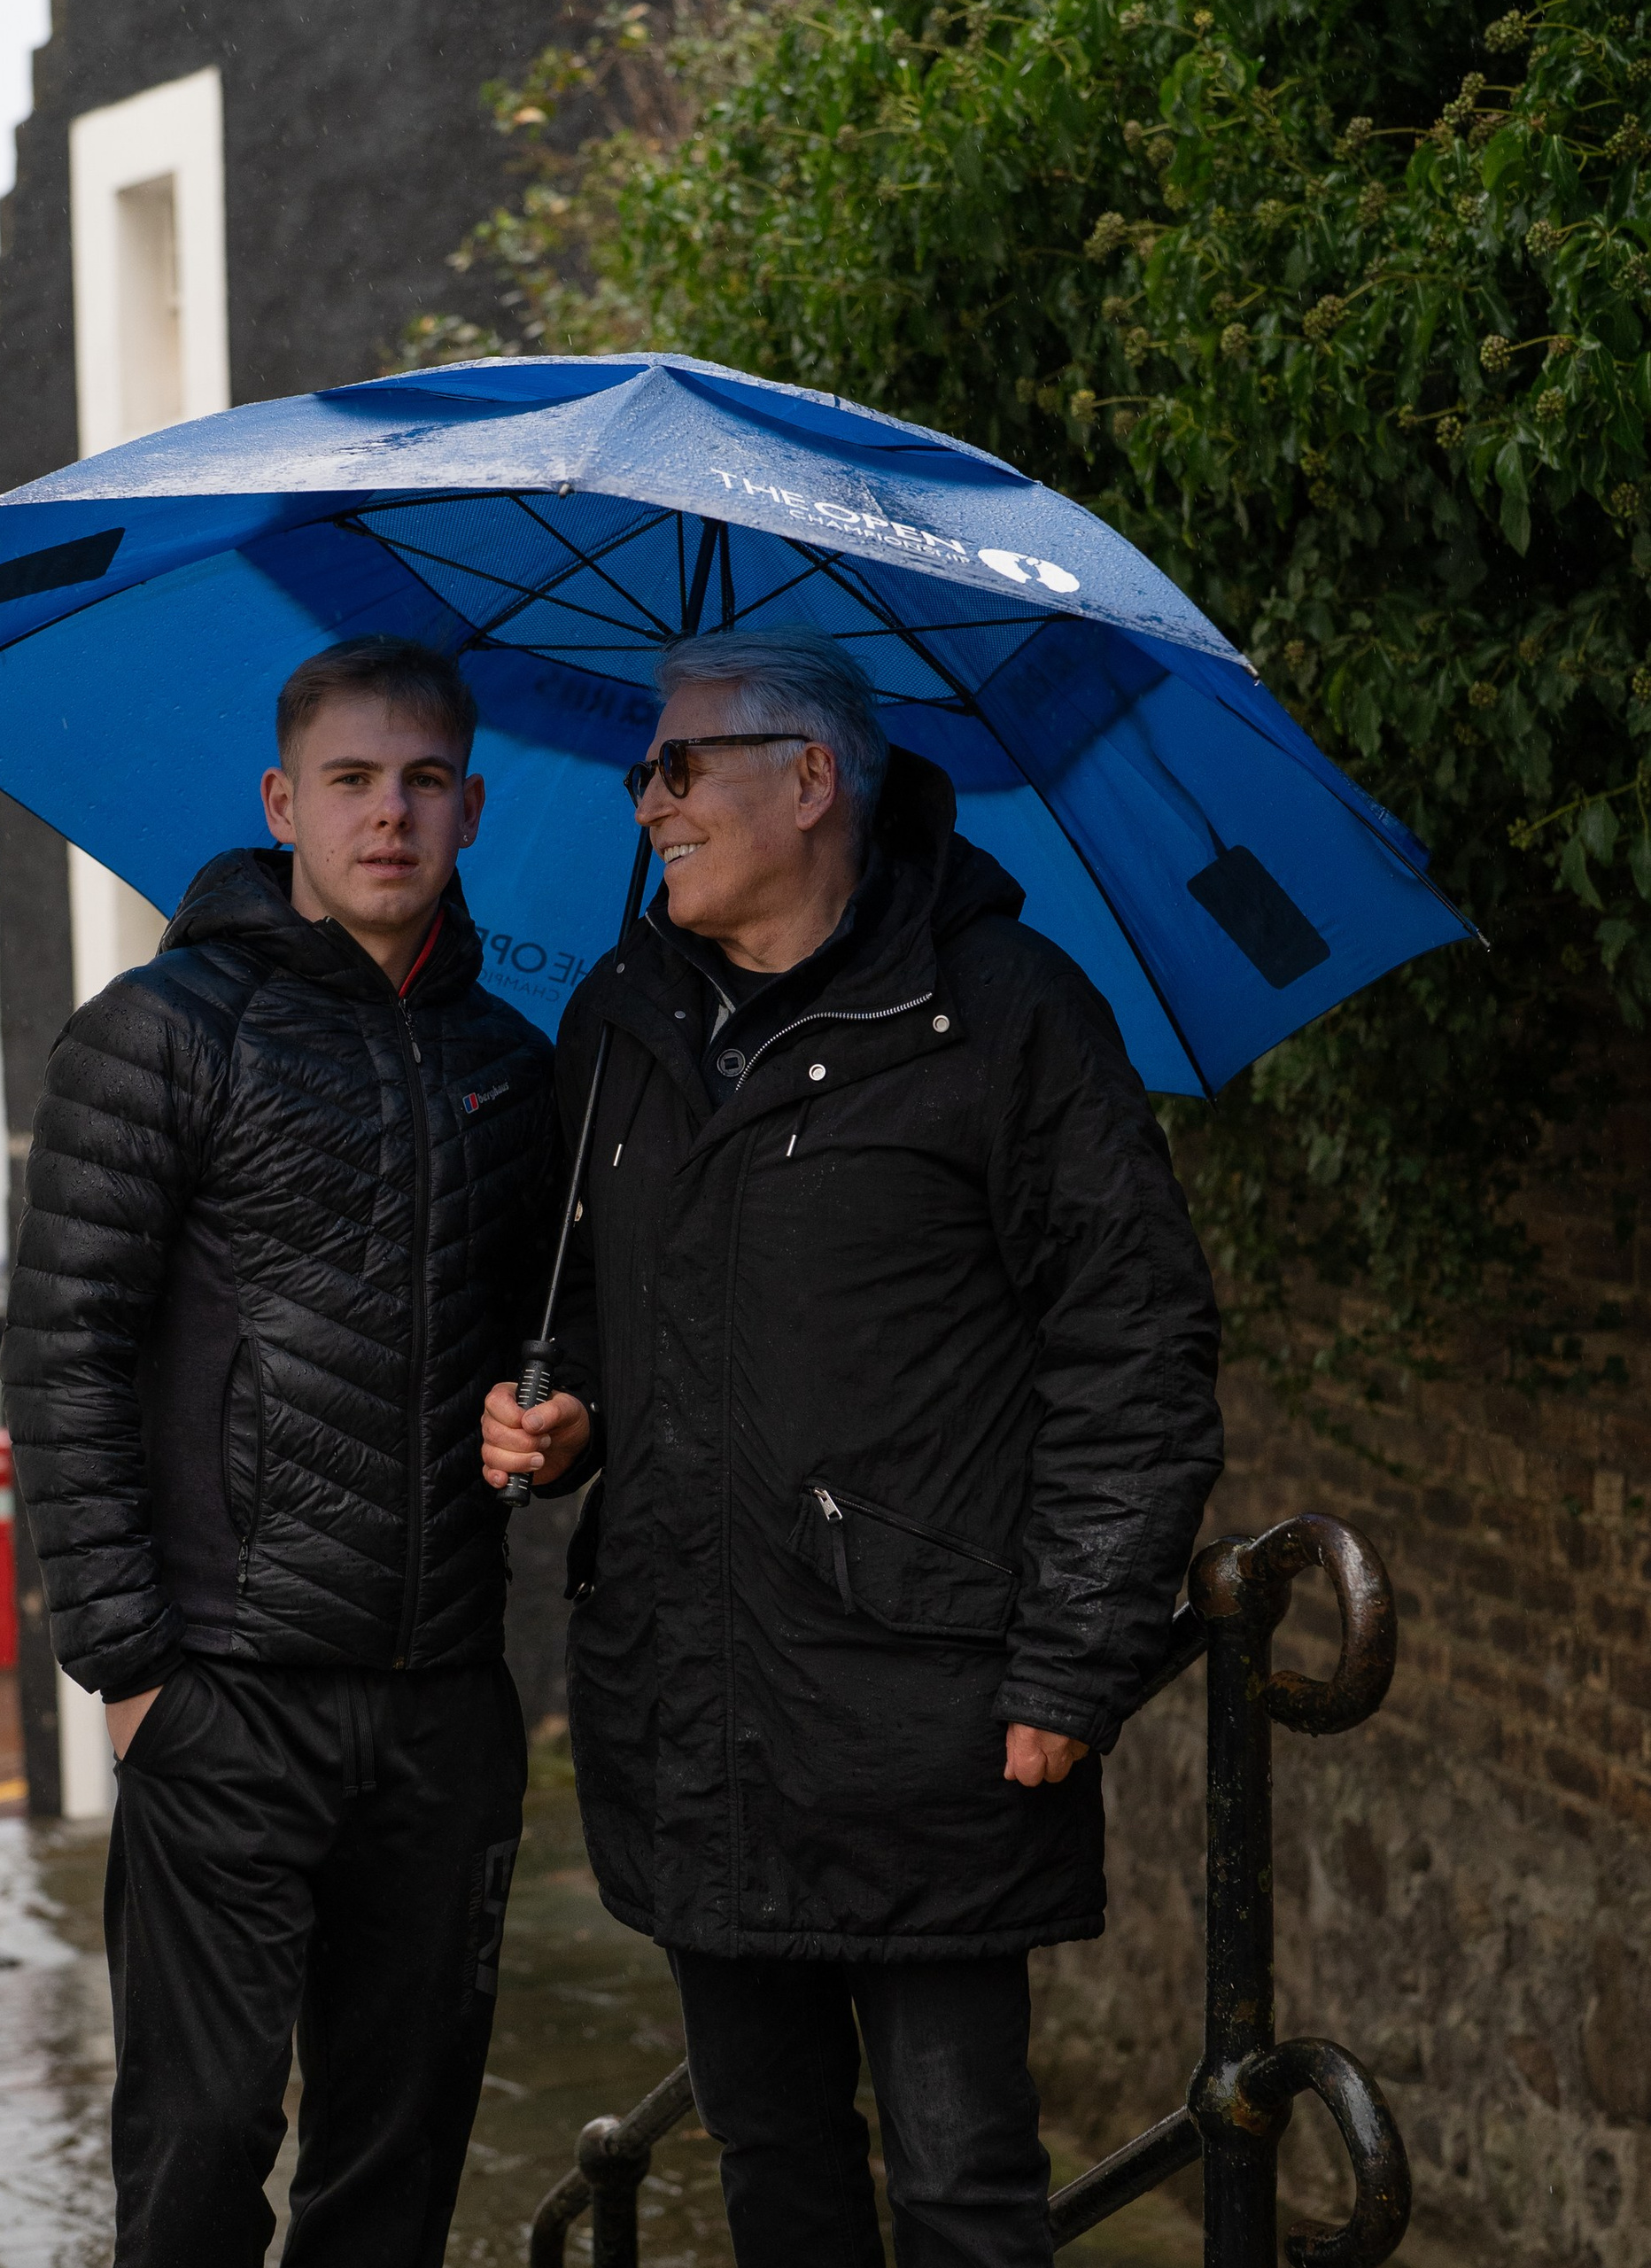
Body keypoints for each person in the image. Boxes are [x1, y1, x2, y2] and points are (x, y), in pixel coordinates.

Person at [480, 626, 1222, 2268]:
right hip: (689, 1703)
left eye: (678, 767)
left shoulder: (1009, 1016)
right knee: (772, 2168)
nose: (646, 803)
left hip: (924, 1716)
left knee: (963, 2188)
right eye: (640, 770)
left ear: (810, 779)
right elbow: (597, 1293)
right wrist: (569, 1402)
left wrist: (1073, 1664)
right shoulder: (616, 1018)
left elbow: (1137, 1340)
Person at [5, 634, 554, 2268]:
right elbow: (63, 1352)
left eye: (423, 781)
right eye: (351, 782)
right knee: (201, 2143)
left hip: (445, 1700)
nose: (388, 815)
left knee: (396, 2164)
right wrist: (133, 1669)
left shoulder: (517, 1073)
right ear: (281, 803)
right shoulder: (158, 1035)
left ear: (471, 806)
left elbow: (562, 1331)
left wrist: (565, 1410)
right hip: (227, 1694)